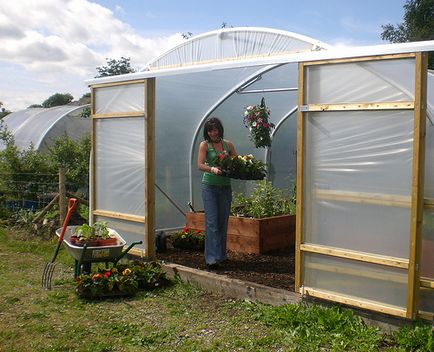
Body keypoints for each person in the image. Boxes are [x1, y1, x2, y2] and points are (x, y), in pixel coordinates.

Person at [197, 117, 237, 270]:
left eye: (215, 129)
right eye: (210, 130)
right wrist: (212, 169)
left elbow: (237, 161)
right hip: (210, 187)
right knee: (212, 222)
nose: (213, 133)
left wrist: (238, 167)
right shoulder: (205, 145)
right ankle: (212, 259)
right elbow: (199, 164)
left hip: (225, 186)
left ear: (220, 129)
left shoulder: (228, 145)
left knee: (222, 221)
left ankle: (221, 256)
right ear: (207, 132)